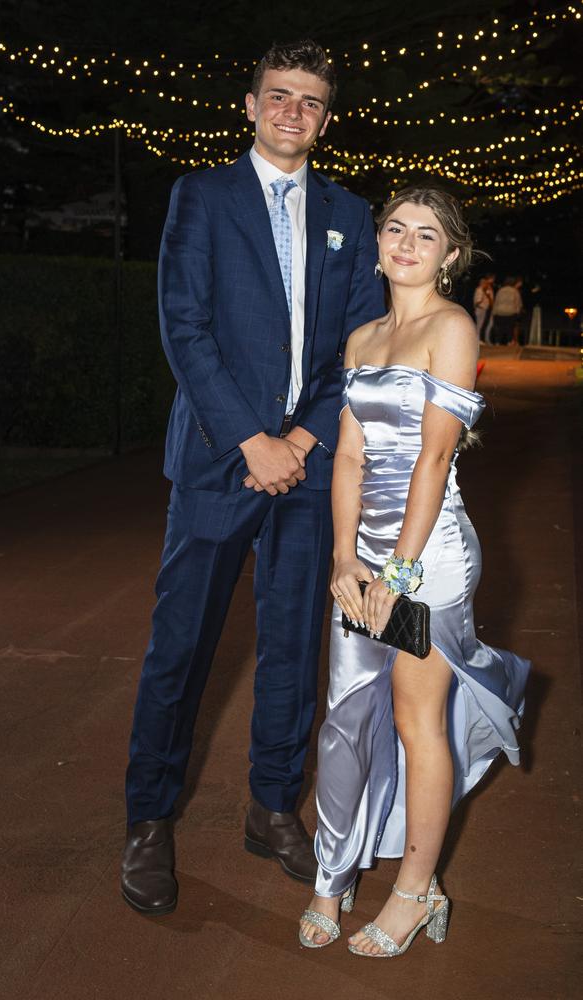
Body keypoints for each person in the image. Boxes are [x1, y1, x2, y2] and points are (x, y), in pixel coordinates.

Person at [122, 39, 384, 915]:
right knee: (182, 646)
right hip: (216, 459)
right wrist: (251, 441)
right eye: (279, 95)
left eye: (309, 101)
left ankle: (273, 808)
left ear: (326, 116)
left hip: (311, 472)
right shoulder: (201, 196)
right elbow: (184, 328)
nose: (292, 112)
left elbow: (364, 347)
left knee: (290, 648)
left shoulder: (351, 211)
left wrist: (305, 438)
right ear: (250, 104)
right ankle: (149, 821)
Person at [298, 187, 530, 956]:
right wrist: (342, 559)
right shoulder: (362, 338)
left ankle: (413, 887)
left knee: (410, 715)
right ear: (378, 243)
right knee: (344, 715)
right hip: (362, 557)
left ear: (451, 256)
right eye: (395, 228)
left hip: (425, 561)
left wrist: (395, 572)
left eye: (425, 234)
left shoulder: (452, 326)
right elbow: (352, 457)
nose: (405, 242)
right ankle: (331, 877)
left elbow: (432, 457)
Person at [491, 276, 523, 345]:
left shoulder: (500, 290)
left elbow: (496, 301)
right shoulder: (515, 291)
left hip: (499, 312)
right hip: (510, 312)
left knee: (500, 328)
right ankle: (509, 342)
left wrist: (494, 312)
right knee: (510, 328)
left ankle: (497, 342)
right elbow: (518, 303)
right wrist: (517, 312)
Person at [472, 273, 494, 343]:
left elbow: (490, 300)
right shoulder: (479, 290)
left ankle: (484, 339)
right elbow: (477, 302)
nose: (486, 283)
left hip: (485, 309)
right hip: (480, 309)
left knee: (484, 325)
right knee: (479, 325)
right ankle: (477, 340)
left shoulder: (486, 289)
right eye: (484, 282)